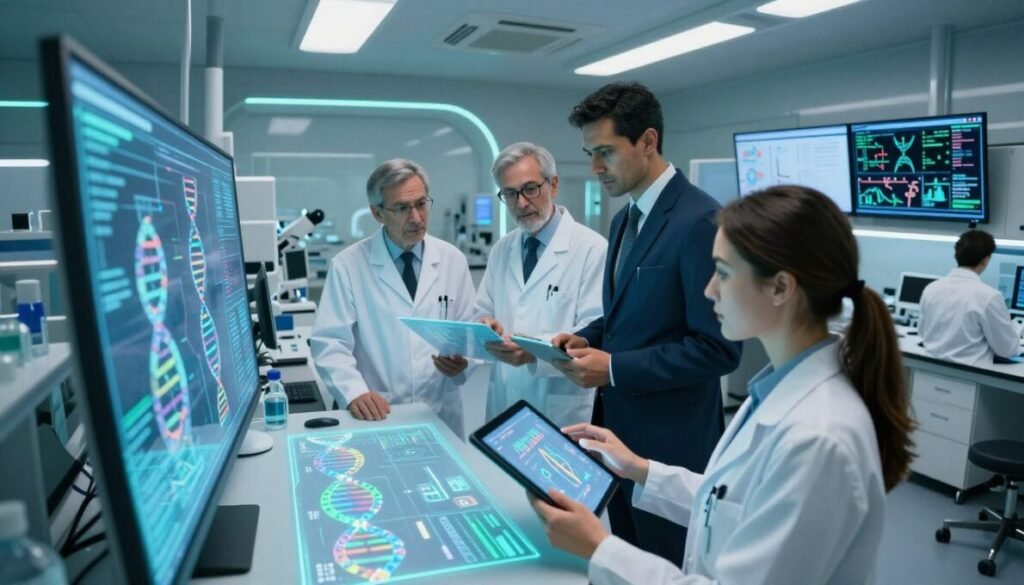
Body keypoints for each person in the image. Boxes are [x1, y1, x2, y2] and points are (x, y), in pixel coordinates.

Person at [532, 185, 916, 584]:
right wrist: (641, 470)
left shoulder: (818, 437)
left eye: (724, 273)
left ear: (781, 287)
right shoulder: (775, 391)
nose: (708, 289)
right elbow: (733, 500)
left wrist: (600, 548)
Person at [550, 81, 740, 564]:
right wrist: (587, 337)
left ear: (648, 141)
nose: (595, 168)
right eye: (590, 153)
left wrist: (613, 368)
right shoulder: (623, 220)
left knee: (666, 562)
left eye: (605, 153)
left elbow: (718, 348)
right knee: (626, 557)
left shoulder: (700, 220)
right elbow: (629, 316)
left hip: (670, 441)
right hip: (619, 431)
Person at [310, 159, 475, 436]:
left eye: (421, 204)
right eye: (401, 208)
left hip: (439, 411)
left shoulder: (452, 259)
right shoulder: (348, 265)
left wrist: (464, 361)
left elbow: (469, 330)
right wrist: (353, 393)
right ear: (377, 213)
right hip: (377, 411)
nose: (416, 218)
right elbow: (329, 342)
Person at [474, 142, 607, 427]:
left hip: (560, 406)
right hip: (505, 398)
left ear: (554, 185)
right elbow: (482, 310)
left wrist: (532, 352)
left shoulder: (592, 249)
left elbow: (593, 333)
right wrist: (487, 325)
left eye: (530, 188)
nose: (521, 202)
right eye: (510, 193)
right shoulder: (502, 249)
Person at [919, 229, 1023, 365]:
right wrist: (1016, 329)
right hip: (970, 376)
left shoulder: (931, 288)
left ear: (957, 255)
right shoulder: (988, 296)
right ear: (985, 260)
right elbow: (1007, 350)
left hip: (931, 370)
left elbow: (922, 332)